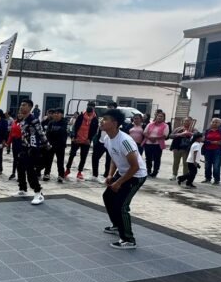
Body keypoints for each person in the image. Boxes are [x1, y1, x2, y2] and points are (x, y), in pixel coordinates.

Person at [100, 109, 147, 249]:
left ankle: (128, 239)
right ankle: (116, 225)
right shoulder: (107, 139)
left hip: (136, 176)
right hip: (124, 173)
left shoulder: (125, 141)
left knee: (121, 206)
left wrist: (118, 182)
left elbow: (135, 166)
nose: (102, 121)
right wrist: (110, 175)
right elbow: (114, 158)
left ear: (115, 123)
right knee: (108, 197)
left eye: (105, 119)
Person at [14, 99, 47, 205]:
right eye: (21, 105)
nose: (21, 107)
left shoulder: (33, 120)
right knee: (20, 168)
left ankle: (39, 193)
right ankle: (23, 189)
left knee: (30, 171)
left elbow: (40, 133)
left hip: (32, 149)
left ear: (30, 107)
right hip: (24, 148)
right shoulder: (23, 120)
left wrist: (46, 146)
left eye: (24, 105)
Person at [67, 103, 97, 181]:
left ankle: (79, 172)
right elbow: (74, 127)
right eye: (88, 112)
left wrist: (90, 139)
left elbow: (94, 131)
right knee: (72, 155)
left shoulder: (95, 119)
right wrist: (73, 136)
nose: (89, 114)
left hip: (86, 141)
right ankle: (67, 169)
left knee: (83, 157)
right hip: (77, 139)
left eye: (90, 113)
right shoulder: (81, 116)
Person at [42, 108, 68, 182]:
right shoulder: (51, 123)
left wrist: (54, 132)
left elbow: (62, 132)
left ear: (62, 115)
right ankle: (47, 174)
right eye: (55, 113)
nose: (56, 114)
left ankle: (61, 175)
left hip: (60, 146)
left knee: (60, 161)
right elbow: (48, 133)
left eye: (58, 113)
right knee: (48, 161)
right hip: (51, 145)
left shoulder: (64, 122)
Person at [142, 110, 169, 178]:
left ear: (164, 118)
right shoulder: (150, 124)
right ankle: (148, 171)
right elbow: (144, 132)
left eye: (161, 116)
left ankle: (155, 172)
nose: (159, 117)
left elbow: (165, 135)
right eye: (158, 116)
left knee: (157, 159)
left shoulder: (165, 125)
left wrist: (155, 138)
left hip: (158, 145)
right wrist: (150, 138)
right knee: (148, 158)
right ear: (156, 117)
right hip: (148, 143)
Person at [7, 116, 23, 181]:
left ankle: (20, 175)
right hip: (14, 142)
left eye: (20, 114)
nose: (19, 115)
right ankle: (13, 173)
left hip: (21, 142)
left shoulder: (24, 123)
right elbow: (11, 134)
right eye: (18, 114)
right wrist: (8, 143)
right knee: (15, 159)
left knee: (20, 160)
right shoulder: (14, 122)